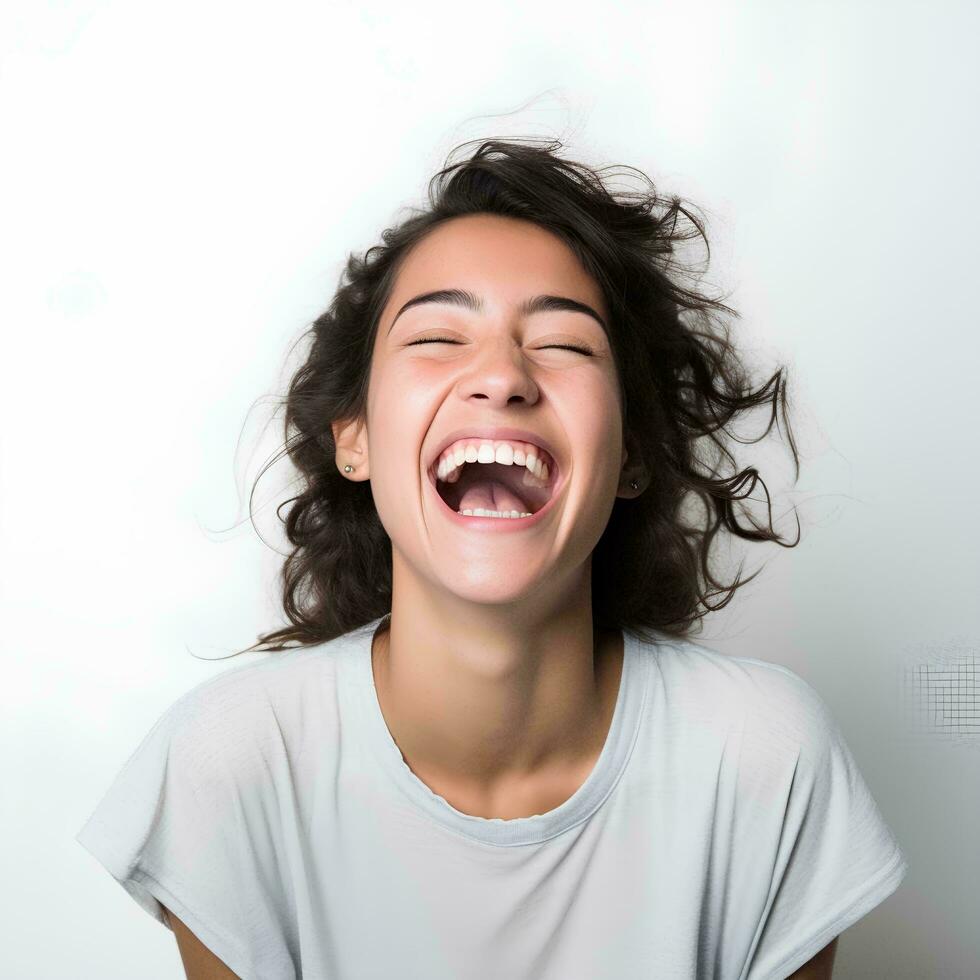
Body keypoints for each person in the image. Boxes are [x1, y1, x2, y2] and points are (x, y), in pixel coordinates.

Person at [76, 138, 907, 979]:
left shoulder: (765, 757)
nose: (503, 375)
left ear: (631, 454)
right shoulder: (236, 762)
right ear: (354, 438)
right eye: (438, 336)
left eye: (565, 344)